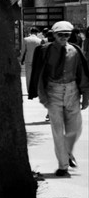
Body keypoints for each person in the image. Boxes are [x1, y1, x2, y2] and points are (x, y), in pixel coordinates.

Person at [28, 21, 89, 177]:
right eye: (60, 34)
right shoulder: (44, 50)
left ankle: (67, 152)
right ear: (54, 35)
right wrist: (42, 96)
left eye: (66, 35)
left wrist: (86, 95)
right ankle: (63, 165)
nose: (63, 37)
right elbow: (39, 74)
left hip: (72, 91)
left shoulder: (75, 51)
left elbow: (82, 72)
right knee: (57, 130)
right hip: (53, 91)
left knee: (75, 128)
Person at [21, 28, 42, 94]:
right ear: (36, 33)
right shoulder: (40, 40)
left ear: (30, 32)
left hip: (28, 60)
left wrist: (22, 60)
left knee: (28, 76)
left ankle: (29, 91)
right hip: (37, 61)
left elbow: (23, 51)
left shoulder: (26, 39)